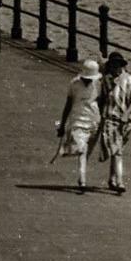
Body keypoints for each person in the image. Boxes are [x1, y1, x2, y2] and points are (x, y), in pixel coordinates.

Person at [56, 59, 103, 193]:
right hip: (79, 120)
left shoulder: (97, 84)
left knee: (86, 150)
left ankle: (82, 174)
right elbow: (68, 104)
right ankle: (82, 179)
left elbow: (101, 103)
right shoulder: (77, 84)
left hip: (94, 121)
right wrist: (63, 124)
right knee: (82, 150)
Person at [97, 51, 131, 194]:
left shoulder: (128, 79)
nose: (116, 68)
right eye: (113, 65)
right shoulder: (105, 80)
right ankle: (119, 182)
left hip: (126, 120)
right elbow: (101, 99)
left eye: (118, 65)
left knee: (117, 149)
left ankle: (112, 179)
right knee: (117, 150)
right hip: (110, 118)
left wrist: (126, 114)